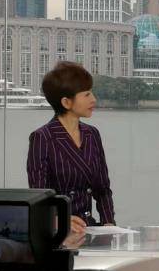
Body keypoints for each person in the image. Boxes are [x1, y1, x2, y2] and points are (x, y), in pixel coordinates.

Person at [27, 61, 115, 233]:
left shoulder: (92, 134)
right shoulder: (42, 137)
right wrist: (58, 220)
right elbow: (39, 196)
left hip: (89, 228)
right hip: (57, 231)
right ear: (66, 102)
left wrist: (109, 225)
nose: (93, 99)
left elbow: (103, 189)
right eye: (87, 94)